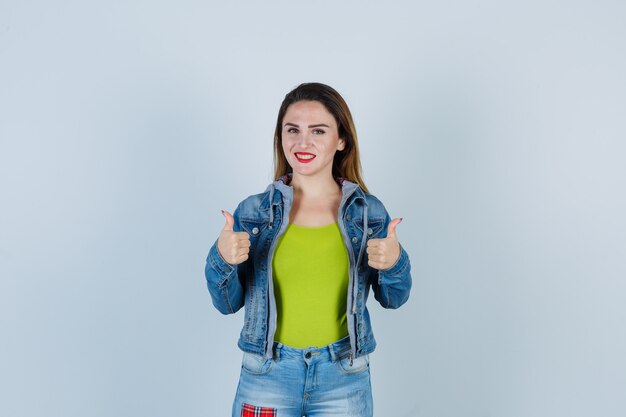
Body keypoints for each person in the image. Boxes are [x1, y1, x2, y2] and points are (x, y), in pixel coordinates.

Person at [204, 82, 412, 417]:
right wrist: (223, 259)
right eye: (293, 130)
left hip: (344, 375)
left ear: (341, 140)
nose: (303, 142)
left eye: (318, 130)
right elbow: (226, 303)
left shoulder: (367, 213)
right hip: (267, 373)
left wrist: (394, 264)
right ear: (281, 137)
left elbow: (394, 298)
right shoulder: (254, 212)